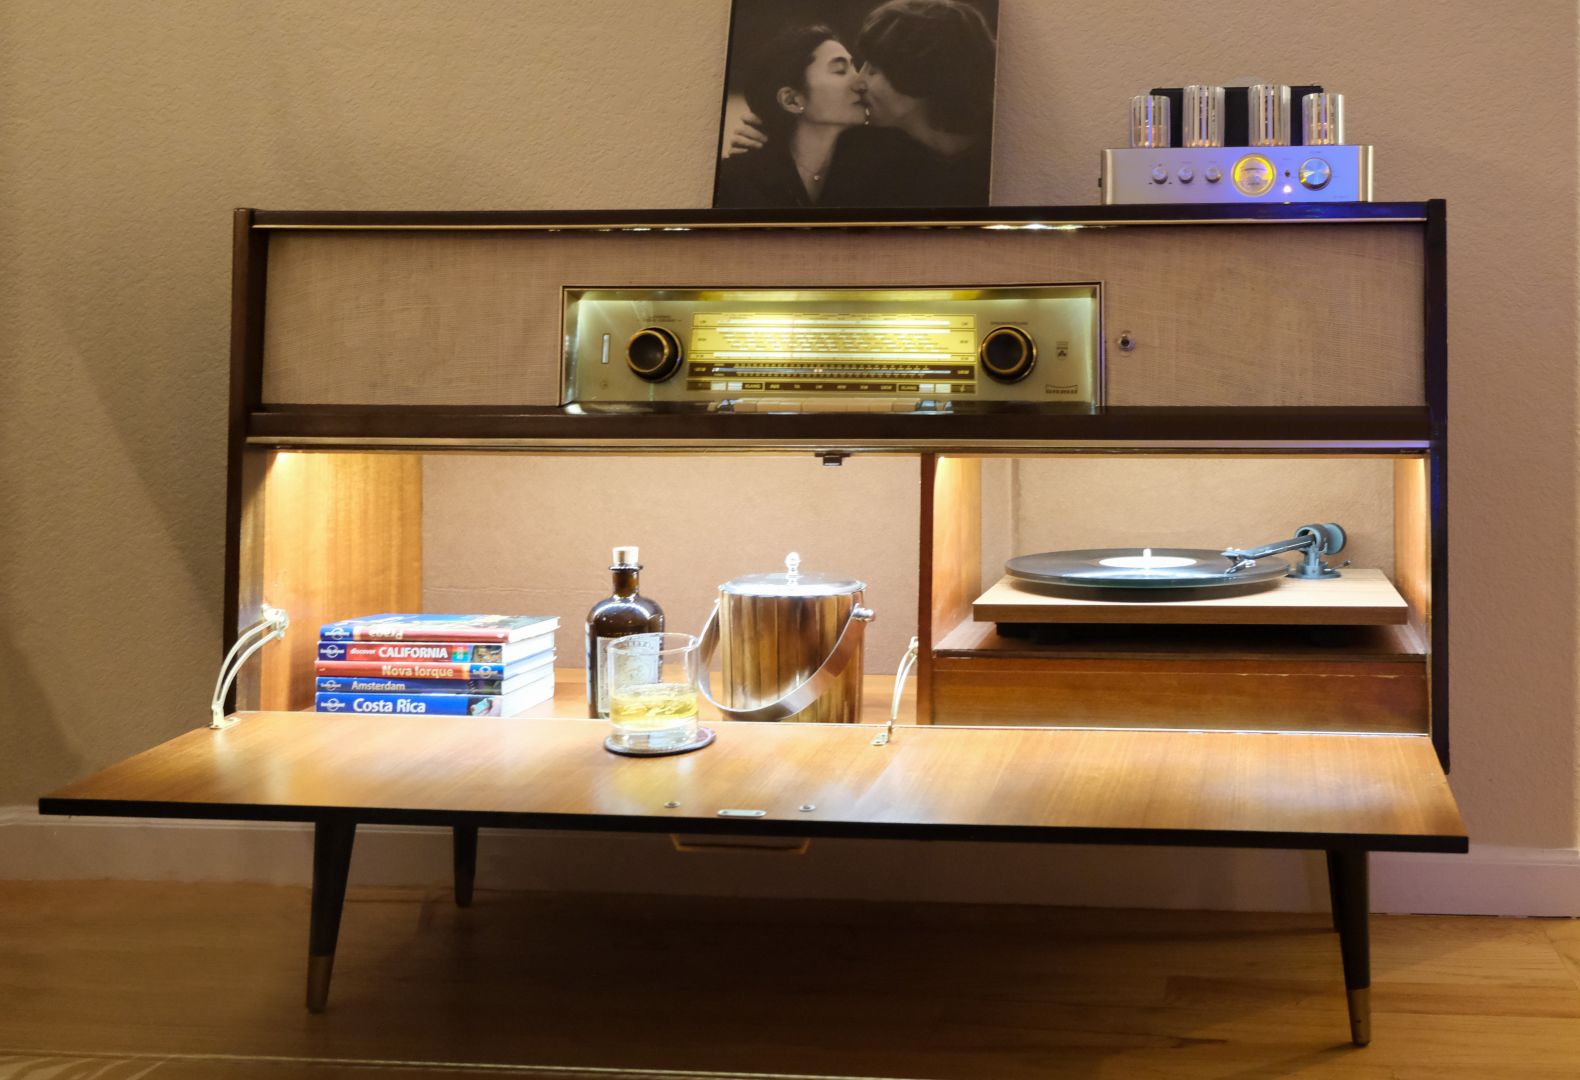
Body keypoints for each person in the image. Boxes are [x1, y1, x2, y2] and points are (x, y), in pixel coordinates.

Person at [720, 0, 997, 208]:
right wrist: (767, 134)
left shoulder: (996, 156)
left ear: (918, 79)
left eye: (873, 70)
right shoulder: (867, 147)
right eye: (847, 69)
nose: (860, 82)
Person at [713, 25, 869, 208]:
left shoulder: (874, 169)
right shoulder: (733, 184)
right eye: (840, 71)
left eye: (855, 67)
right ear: (791, 100)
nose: (862, 84)